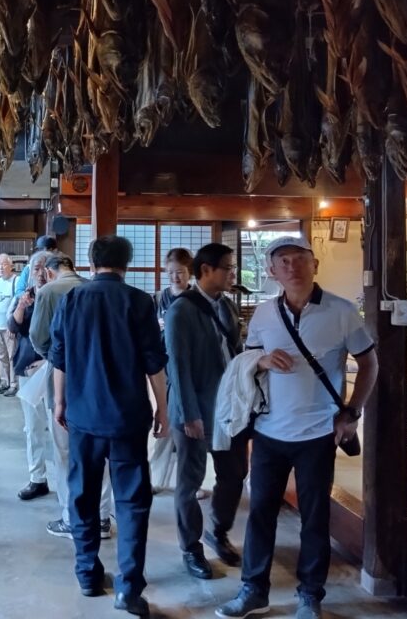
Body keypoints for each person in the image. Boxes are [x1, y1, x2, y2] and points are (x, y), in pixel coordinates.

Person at [217, 235, 379, 619]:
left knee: (315, 518)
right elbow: (249, 360)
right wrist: (262, 360)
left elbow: (369, 363)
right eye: (283, 261)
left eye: (299, 259)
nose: (292, 267)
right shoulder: (264, 313)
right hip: (269, 432)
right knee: (260, 514)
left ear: (315, 264)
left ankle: (310, 596)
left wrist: (352, 412)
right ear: (272, 271)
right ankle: (253, 589)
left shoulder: (341, 311)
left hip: (318, 433)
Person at [50, 235, 169, 617]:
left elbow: (58, 357)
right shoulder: (139, 301)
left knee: (83, 495)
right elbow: (154, 362)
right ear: (127, 264)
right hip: (128, 419)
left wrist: (60, 402)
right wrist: (162, 408)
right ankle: (129, 589)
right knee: (132, 503)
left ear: (91, 262)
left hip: (83, 417)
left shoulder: (72, 299)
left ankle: (87, 574)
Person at [165, 243, 247, 579]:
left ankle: (219, 530)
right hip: (195, 410)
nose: (233, 274)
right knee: (190, 483)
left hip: (229, 408)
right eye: (228, 268)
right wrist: (189, 414)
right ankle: (191, 548)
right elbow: (177, 366)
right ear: (205, 271)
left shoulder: (226, 305)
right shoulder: (182, 309)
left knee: (234, 473)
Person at [29, 253, 115, 539]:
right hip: (98, 376)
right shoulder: (93, 288)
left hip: (62, 377)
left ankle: (71, 517)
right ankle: (102, 516)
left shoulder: (48, 291)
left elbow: (38, 337)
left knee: (65, 449)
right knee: (99, 449)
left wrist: (54, 358)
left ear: (49, 272)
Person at [150, 248, 193, 495]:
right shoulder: (158, 298)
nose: (175, 277)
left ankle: (192, 482)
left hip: (190, 368)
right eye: (171, 273)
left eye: (180, 272)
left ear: (190, 273)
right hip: (164, 368)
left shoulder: (196, 299)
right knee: (164, 421)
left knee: (191, 426)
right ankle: (157, 478)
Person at [9, 257, 49, 500]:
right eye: (36, 268)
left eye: (45, 268)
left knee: (61, 429)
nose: (41, 273)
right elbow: (13, 328)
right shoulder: (26, 295)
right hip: (28, 367)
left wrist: (49, 361)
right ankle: (37, 478)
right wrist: (22, 306)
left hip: (56, 369)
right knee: (33, 427)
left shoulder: (61, 296)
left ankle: (68, 479)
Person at [0, 254, 17, 393]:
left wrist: (13, 326)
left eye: (3, 264)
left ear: (11, 266)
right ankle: (4, 381)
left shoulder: (16, 281)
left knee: (12, 356)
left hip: (9, 327)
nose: (0, 267)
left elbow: (19, 305)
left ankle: (13, 384)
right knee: (1, 356)